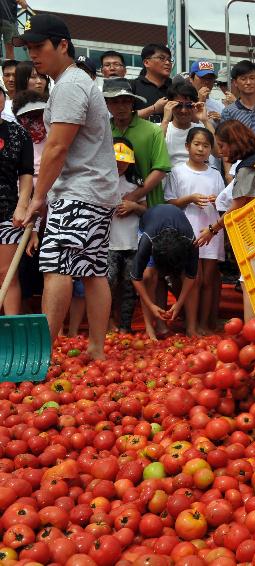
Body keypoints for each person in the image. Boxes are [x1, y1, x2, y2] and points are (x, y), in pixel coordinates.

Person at [16, 14, 120, 360]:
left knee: (57, 268)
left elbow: (57, 148)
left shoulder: (70, 85)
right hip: (95, 191)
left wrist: (38, 196)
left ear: (63, 45)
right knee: (92, 271)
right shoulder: (72, 83)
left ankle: (40, 354)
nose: (33, 54)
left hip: (78, 191)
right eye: (28, 48)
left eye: (39, 46)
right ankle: (96, 349)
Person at [201, 120, 255, 320]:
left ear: (234, 142)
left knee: (249, 280)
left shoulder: (248, 167)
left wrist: (212, 230)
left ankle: (252, 335)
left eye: (222, 145)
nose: (219, 151)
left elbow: (237, 206)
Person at [164, 127, 224, 335]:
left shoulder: (215, 174)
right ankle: (190, 325)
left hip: (211, 230)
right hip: (187, 229)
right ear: (187, 146)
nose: (201, 149)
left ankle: (204, 324)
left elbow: (224, 204)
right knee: (192, 280)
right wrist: (189, 199)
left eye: (206, 145)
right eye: (197, 144)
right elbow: (170, 202)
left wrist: (218, 201)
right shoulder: (177, 172)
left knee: (208, 281)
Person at [131, 204, 198, 339]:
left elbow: (191, 277)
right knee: (149, 275)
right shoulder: (147, 240)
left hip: (176, 229)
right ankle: (150, 329)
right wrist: (151, 306)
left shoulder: (191, 242)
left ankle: (191, 328)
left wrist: (179, 304)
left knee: (190, 279)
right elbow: (136, 277)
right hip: (149, 223)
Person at [104, 78, 171, 207]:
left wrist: (133, 196)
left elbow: (161, 169)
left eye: (125, 100)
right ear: (106, 104)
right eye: (114, 102)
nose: (121, 106)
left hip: (150, 207)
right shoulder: (101, 131)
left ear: (133, 102)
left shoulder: (153, 130)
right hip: (109, 208)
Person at [0, 82, 33, 315]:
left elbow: (26, 174)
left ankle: (10, 329)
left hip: (7, 211)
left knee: (6, 273)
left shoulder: (18, 133)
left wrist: (22, 206)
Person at [108, 139, 146, 333]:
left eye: (124, 161)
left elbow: (146, 210)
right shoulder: (103, 180)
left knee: (130, 286)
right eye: (116, 160)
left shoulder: (137, 184)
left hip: (132, 242)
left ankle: (125, 325)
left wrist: (134, 206)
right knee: (108, 283)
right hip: (108, 244)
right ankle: (106, 322)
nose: (120, 165)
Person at [161, 82, 215, 169]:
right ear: (169, 105)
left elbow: (217, 152)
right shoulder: (160, 128)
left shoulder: (201, 129)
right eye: (178, 105)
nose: (184, 110)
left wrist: (205, 121)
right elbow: (152, 151)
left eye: (189, 105)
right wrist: (165, 120)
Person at [221, 60, 255, 137]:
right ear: (235, 82)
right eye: (243, 79)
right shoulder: (228, 112)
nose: (248, 82)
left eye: (252, 78)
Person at [131, 43, 173, 123]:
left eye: (169, 59)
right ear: (146, 62)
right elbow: (124, 117)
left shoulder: (176, 87)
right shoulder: (132, 86)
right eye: (162, 58)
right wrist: (153, 108)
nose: (167, 63)